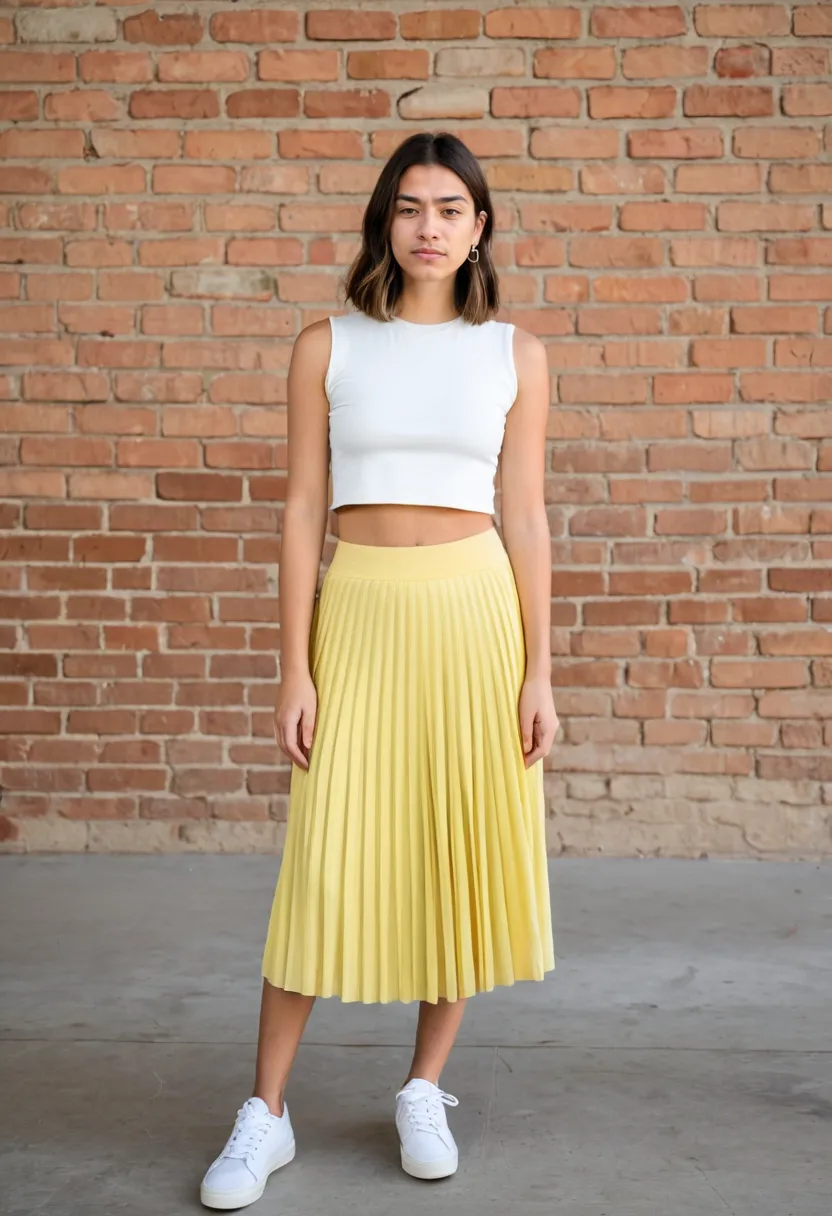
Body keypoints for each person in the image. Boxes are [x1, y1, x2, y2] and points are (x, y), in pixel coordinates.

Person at [199, 130, 559, 1210]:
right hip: (357, 612)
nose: (428, 227)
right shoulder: (329, 345)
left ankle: (422, 1086)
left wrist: (540, 671)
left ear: (479, 226)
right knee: (323, 859)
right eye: (409, 207)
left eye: (450, 208)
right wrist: (292, 667)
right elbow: (301, 509)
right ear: (384, 221)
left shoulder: (515, 355)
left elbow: (526, 517)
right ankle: (265, 1112)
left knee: (456, 849)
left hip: (474, 616)